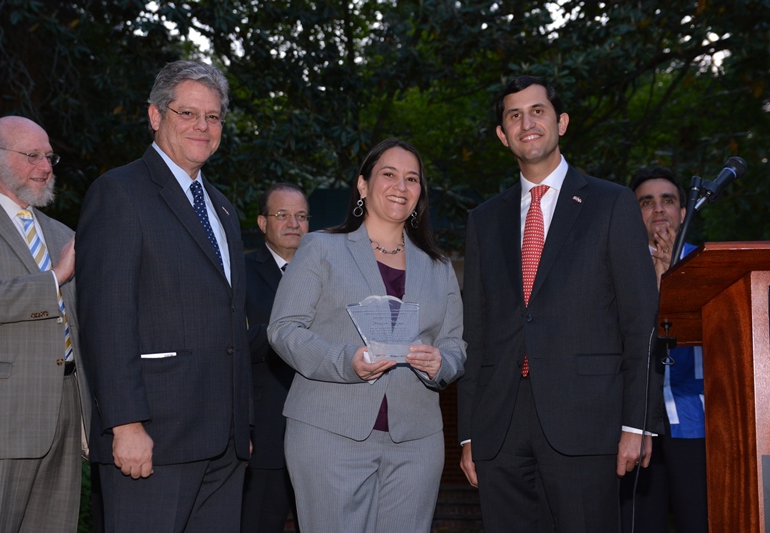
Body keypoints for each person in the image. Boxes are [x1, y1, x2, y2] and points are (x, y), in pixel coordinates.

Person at [457, 75, 663, 532]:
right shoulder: (484, 220)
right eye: (514, 115)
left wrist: (639, 422)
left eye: (537, 111)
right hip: (500, 426)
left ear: (561, 122)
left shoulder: (611, 204)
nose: (526, 122)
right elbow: (475, 330)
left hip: (588, 421)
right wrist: (469, 432)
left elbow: (639, 321)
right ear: (502, 134)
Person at [75, 60, 252, 531]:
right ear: (155, 116)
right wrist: (126, 424)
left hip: (224, 444)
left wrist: (243, 425)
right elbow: (105, 318)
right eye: (188, 113)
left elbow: (232, 318)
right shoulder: (118, 192)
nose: (202, 126)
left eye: (213, 117)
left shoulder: (224, 208)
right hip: (154, 439)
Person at [267, 138, 466, 533]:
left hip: (416, 441)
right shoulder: (321, 248)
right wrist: (346, 361)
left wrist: (442, 362)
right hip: (329, 434)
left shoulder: (439, 267)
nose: (401, 186)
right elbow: (283, 329)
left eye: (412, 179)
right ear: (362, 185)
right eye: (388, 174)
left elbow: (455, 344)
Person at [0, 116, 91, 531]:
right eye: (33, 156)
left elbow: (81, 324)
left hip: (64, 416)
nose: (46, 167)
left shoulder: (62, 233)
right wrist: (54, 278)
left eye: (49, 157)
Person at [620, 167, 708, 533]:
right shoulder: (617, 269)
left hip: (699, 424)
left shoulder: (709, 265)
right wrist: (655, 279)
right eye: (646, 202)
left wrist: (672, 275)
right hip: (637, 426)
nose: (658, 209)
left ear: (683, 212)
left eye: (668, 200)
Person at [241, 183, 309, 533]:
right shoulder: (239, 272)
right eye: (282, 215)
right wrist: (286, 331)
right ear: (262, 223)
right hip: (266, 435)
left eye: (300, 216)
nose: (293, 223)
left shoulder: (327, 272)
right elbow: (234, 345)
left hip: (321, 436)